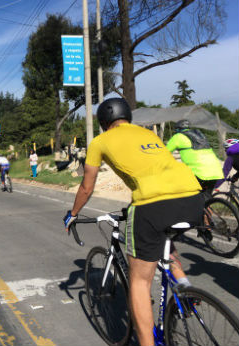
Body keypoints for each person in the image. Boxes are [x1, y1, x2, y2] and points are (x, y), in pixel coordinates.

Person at [63, 98, 204, 346]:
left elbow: (87, 186)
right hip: (193, 197)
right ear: (128, 116)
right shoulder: (146, 133)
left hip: (152, 204)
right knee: (164, 240)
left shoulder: (99, 141)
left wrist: (73, 213)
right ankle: (184, 287)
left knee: (139, 281)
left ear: (104, 123)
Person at [166, 119, 224, 196]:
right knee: (206, 199)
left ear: (177, 129)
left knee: (185, 194)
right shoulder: (200, 135)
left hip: (199, 173)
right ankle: (207, 207)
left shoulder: (178, 136)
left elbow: (164, 152)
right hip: (216, 170)